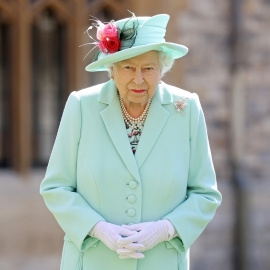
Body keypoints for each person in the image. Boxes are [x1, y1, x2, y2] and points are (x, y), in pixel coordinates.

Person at [40, 12, 222, 270]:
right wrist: (97, 229)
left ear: (163, 68)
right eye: (128, 67)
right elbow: (56, 187)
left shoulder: (187, 108)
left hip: (162, 262)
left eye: (148, 68)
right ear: (111, 69)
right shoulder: (81, 106)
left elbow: (205, 194)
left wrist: (165, 230)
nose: (138, 79)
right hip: (92, 262)